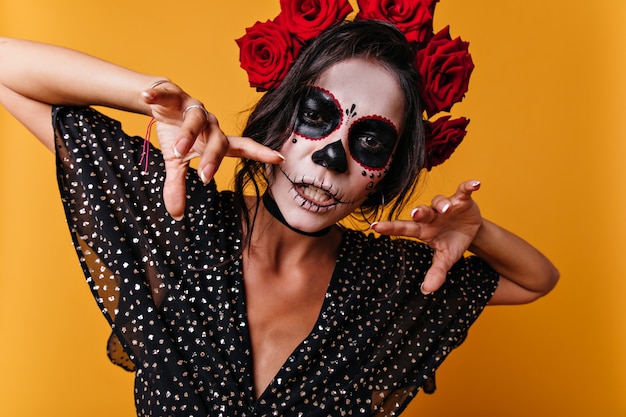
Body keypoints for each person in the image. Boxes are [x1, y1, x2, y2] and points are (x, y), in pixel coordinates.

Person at [0, 10, 558, 417]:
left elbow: (537, 279)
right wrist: (156, 96)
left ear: (385, 172)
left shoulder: (387, 283)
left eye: (368, 143)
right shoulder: (177, 217)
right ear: (275, 120)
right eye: (316, 116)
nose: (331, 157)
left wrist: (477, 231)